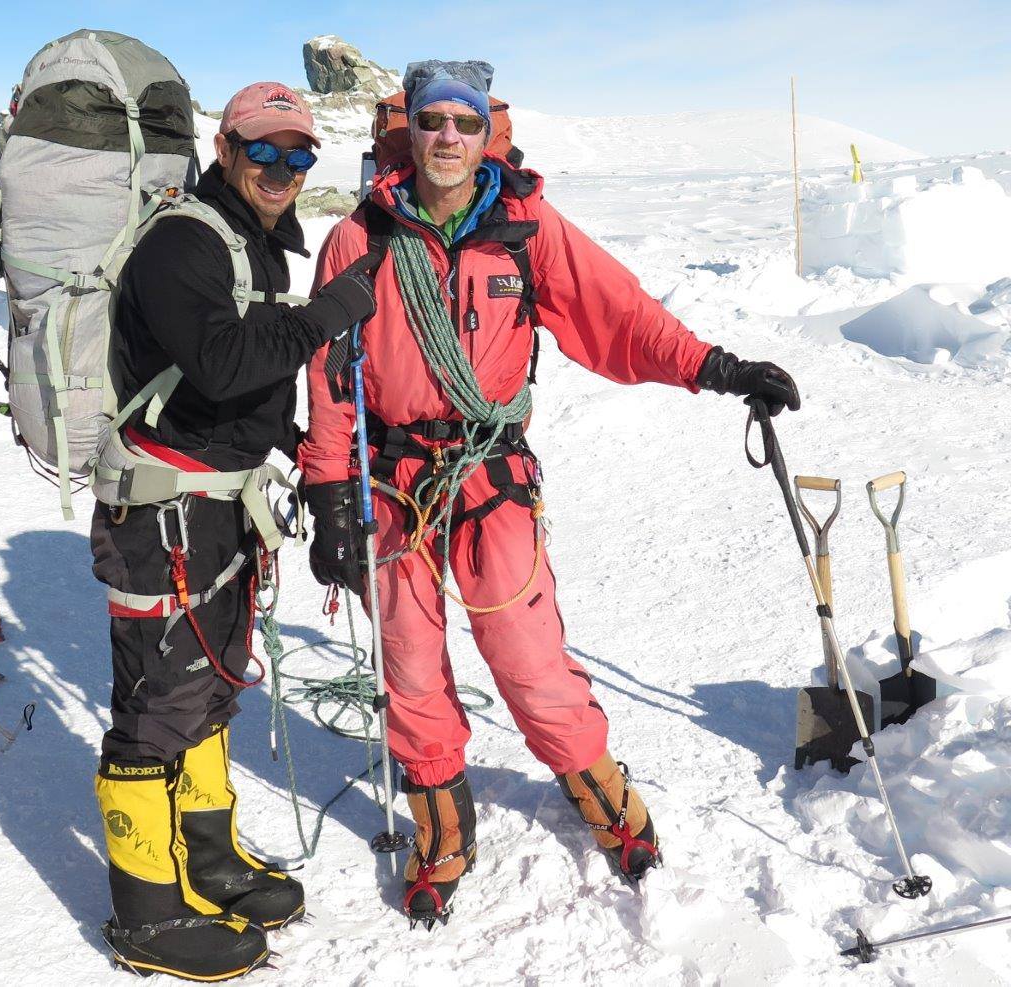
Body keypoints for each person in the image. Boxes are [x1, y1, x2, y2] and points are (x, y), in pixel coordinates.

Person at [300, 60, 799, 927]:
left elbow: (619, 316)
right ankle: (442, 829)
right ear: (408, 130)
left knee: (530, 661)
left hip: (491, 475)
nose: (446, 138)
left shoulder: (523, 228)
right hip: (392, 482)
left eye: (462, 122)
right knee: (411, 667)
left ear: (484, 131)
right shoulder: (362, 239)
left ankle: (606, 797)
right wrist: (329, 492)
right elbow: (331, 377)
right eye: (431, 122)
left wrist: (715, 368)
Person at [91, 81, 375, 979]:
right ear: (226, 149)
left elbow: (237, 376)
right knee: (154, 707)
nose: (282, 171)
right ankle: (145, 915)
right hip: (165, 511)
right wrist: (326, 315)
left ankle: (207, 861)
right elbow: (219, 364)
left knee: (211, 683)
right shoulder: (182, 240)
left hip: (221, 503)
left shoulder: (247, 241)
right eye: (265, 152)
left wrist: (289, 439)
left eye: (300, 156)